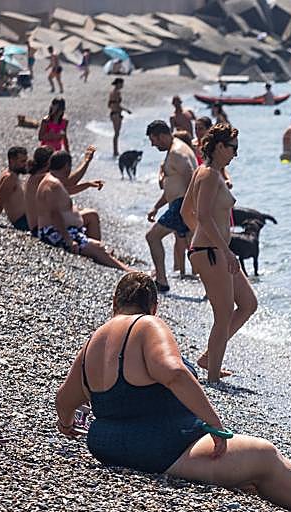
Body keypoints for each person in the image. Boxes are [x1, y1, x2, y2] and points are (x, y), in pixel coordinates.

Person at [54, 272, 291, 512]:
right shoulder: (148, 325)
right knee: (266, 455)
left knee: (251, 477)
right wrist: (216, 425)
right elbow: (174, 373)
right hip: (159, 449)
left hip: (107, 445)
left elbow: (65, 401)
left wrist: (68, 424)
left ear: (115, 302)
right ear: (154, 306)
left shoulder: (94, 342)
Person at [181, 122, 257, 382]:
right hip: (213, 252)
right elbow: (200, 214)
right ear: (220, 147)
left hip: (210, 249)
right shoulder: (210, 174)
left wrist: (200, 241)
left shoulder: (205, 171)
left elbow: (186, 213)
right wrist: (220, 249)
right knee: (223, 313)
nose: (236, 153)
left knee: (248, 303)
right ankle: (213, 375)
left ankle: (208, 358)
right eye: (233, 148)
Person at [35, 150, 129, 271]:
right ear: (66, 166)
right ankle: (129, 271)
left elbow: (67, 190)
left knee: (100, 245)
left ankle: (107, 259)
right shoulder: (52, 185)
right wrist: (68, 240)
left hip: (58, 230)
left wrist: (88, 184)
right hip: (53, 233)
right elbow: (54, 214)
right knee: (99, 248)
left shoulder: (52, 181)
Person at [144, 120, 197, 293]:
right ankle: (211, 288)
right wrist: (157, 206)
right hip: (179, 204)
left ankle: (162, 280)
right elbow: (174, 186)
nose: (152, 144)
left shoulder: (176, 153)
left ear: (161, 136)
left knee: (152, 237)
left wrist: (189, 208)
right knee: (196, 247)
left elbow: (191, 178)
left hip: (181, 205)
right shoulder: (176, 148)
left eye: (153, 140)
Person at [24, 144, 102, 239]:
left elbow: (66, 190)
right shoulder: (41, 178)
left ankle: (90, 245)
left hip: (43, 224)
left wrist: (87, 184)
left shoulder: (38, 177)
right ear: (49, 162)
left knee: (79, 211)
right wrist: (86, 161)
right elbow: (70, 182)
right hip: (41, 227)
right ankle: (95, 246)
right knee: (92, 215)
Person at [0, 146, 30, 231]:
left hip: (25, 219)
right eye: (22, 161)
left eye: (26, 160)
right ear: (12, 161)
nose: (25, 164)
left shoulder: (12, 175)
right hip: (22, 222)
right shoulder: (10, 178)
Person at [108, 79, 131, 158]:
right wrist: (126, 110)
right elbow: (116, 105)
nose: (122, 85)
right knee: (116, 133)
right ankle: (115, 151)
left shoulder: (112, 92)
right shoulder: (116, 93)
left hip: (115, 114)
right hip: (116, 114)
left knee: (116, 133)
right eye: (121, 84)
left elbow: (109, 105)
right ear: (118, 84)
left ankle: (115, 150)